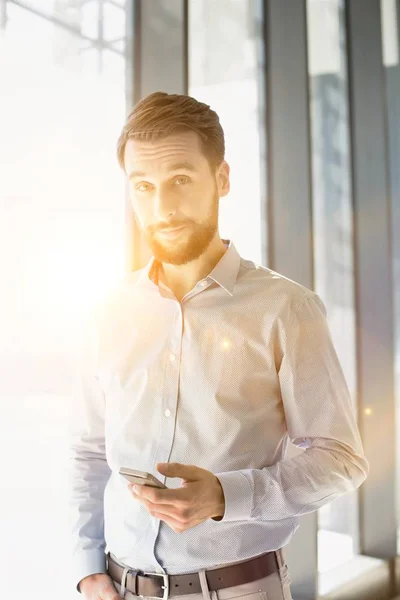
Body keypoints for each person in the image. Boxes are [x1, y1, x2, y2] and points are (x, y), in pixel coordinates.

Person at [68, 91, 369, 600]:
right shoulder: (106, 311)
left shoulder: (286, 309)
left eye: (181, 180)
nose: (162, 208)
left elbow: (341, 460)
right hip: (118, 588)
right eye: (144, 186)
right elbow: (89, 451)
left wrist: (227, 496)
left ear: (221, 180)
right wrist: (87, 568)